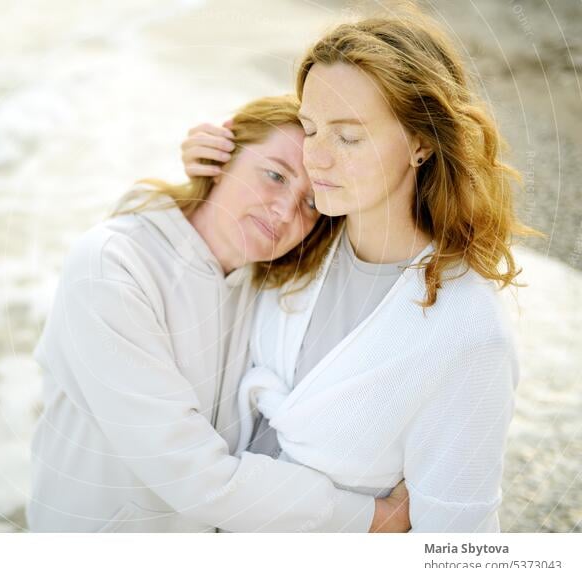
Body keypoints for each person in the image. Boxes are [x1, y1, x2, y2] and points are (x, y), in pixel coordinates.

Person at [182, 11, 537, 532]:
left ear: (422, 141)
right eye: (309, 128)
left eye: (348, 137)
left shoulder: (467, 334)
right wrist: (205, 185)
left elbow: (460, 546)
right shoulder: (303, 241)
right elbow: (191, 292)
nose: (316, 160)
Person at [27, 95, 410, 533]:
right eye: (274, 175)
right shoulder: (110, 269)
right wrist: (373, 520)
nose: (285, 212)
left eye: (309, 203)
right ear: (221, 156)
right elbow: (194, 475)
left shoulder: (263, 284)